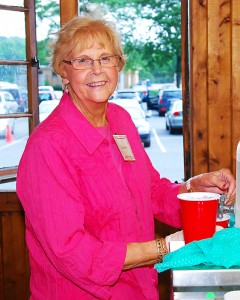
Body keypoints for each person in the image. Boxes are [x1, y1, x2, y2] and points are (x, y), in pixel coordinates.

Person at [16, 15, 236, 300]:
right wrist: (165, 247)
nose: (97, 70)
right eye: (82, 61)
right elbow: (73, 253)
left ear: (118, 65)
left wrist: (196, 189)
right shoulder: (47, 147)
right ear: (63, 71)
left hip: (139, 289)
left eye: (106, 58)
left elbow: (152, 192)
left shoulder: (120, 120)